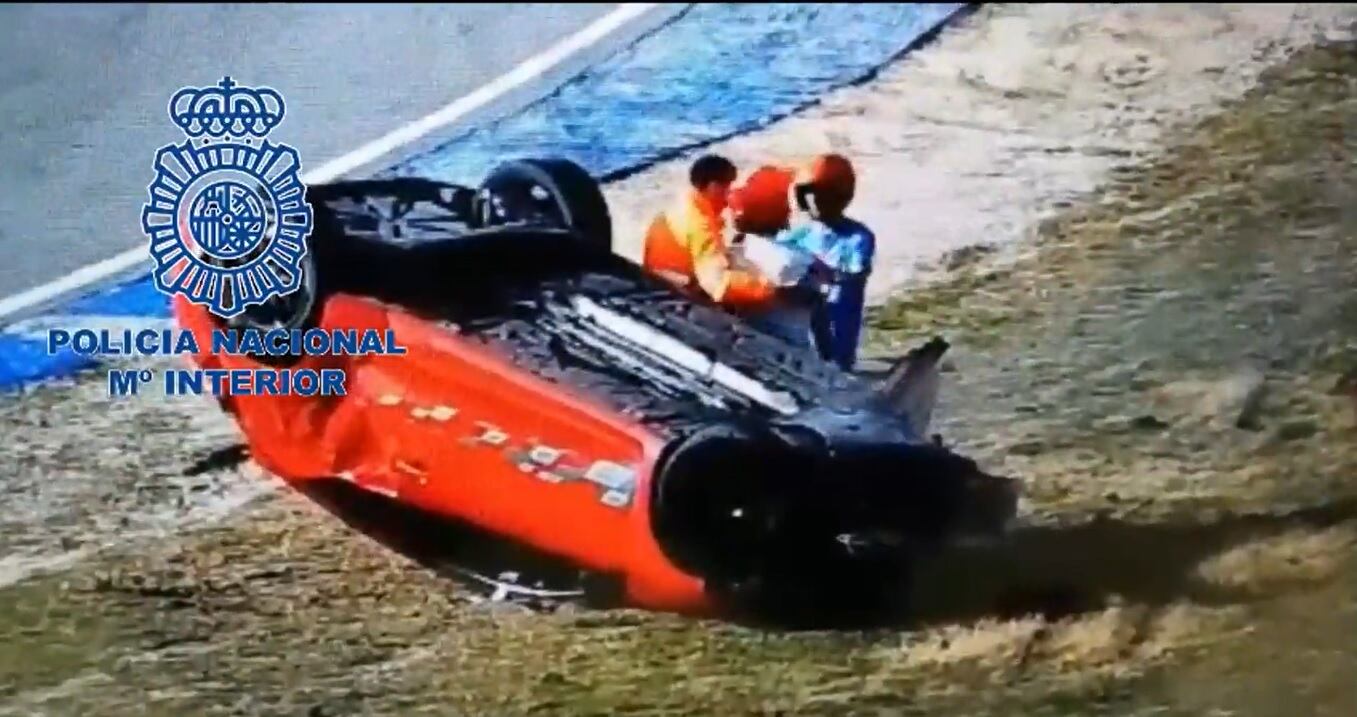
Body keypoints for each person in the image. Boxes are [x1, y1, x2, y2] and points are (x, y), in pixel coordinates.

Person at [773, 153, 876, 371]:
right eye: (809, 195)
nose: (815, 201)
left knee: (837, 297)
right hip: (799, 321)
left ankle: (837, 368)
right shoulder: (799, 234)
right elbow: (773, 255)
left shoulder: (858, 236)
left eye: (821, 194)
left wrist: (822, 274)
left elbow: (854, 272)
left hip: (836, 318)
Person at [642, 154, 779, 309]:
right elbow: (717, 284)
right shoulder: (700, 225)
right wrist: (764, 286)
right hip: (679, 292)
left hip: (658, 278)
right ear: (713, 187)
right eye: (727, 188)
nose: (728, 197)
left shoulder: (683, 204)